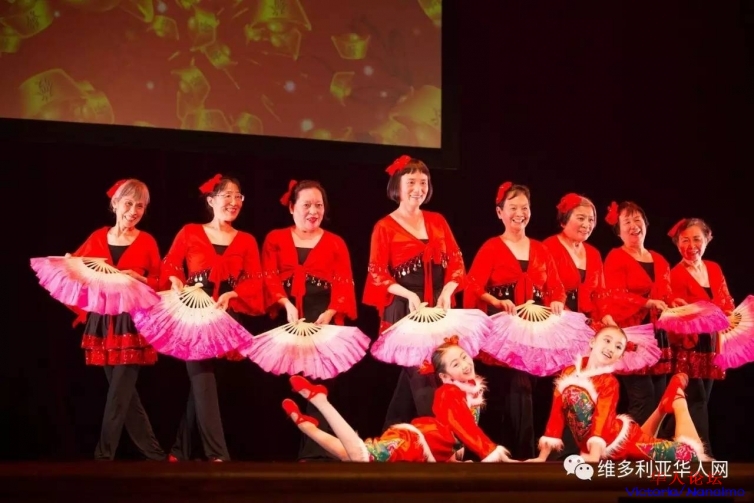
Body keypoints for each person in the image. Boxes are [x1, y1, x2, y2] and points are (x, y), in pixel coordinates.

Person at [162, 174, 264, 462]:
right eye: (226, 196)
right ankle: (218, 455)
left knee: (202, 383)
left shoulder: (246, 240)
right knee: (203, 378)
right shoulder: (190, 231)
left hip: (222, 314)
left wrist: (233, 294)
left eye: (237, 196)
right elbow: (170, 263)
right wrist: (175, 279)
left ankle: (179, 451)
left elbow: (254, 281)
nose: (233, 202)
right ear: (211, 201)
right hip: (193, 312)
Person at [281, 338, 514, 463]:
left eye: (464, 357)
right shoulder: (449, 393)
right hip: (412, 443)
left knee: (348, 454)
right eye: (456, 364)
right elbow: (462, 427)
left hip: (422, 446)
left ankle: (306, 426)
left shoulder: (466, 393)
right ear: (444, 376)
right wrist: (491, 452)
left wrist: (453, 460)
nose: (464, 364)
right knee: (361, 456)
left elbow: (449, 439)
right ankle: (322, 402)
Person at [463, 182, 565, 460]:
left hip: (532, 330)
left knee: (527, 390)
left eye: (524, 208)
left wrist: (556, 300)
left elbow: (556, 287)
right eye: (513, 208)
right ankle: (513, 454)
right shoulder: (492, 247)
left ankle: (521, 454)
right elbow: (473, 285)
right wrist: (496, 302)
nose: (519, 213)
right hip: (502, 330)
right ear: (500, 213)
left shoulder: (541, 249)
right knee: (507, 391)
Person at [363, 155, 465, 429]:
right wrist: (409, 295)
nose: (418, 188)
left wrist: (448, 290)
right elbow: (377, 272)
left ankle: (391, 432)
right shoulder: (384, 226)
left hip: (437, 306)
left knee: (424, 374)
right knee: (422, 371)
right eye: (411, 182)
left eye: (423, 182)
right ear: (397, 185)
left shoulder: (437, 220)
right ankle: (440, 436)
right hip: (406, 307)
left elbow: (456, 261)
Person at [261, 179, 358, 462]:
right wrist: (285, 303)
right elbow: (268, 276)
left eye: (318, 205)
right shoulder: (275, 239)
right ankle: (287, 453)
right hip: (288, 319)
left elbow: (344, 282)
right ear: (292, 207)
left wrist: (330, 313)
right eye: (306, 205)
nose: (313, 211)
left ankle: (316, 455)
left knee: (321, 388)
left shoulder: (335, 242)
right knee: (292, 386)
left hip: (323, 319)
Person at [69, 179, 166, 461]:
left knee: (118, 394)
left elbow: (161, 282)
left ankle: (103, 456)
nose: (133, 211)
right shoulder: (98, 237)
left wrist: (141, 278)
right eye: (128, 203)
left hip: (132, 323)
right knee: (124, 396)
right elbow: (76, 268)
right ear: (115, 204)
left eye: (140, 206)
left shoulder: (147, 241)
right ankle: (155, 455)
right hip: (103, 321)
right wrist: (70, 263)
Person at [528, 326, 711, 463]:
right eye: (607, 341)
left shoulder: (609, 382)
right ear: (592, 342)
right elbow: (556, 416)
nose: (611, 348)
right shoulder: (568, 373)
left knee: (689, 455)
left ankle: (678, 400)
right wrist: (542, 457)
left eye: (618, 347)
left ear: (620, 356)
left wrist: (593, 456)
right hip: (604, 449)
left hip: (623, 442)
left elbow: (601, 418)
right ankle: (662, 407)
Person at [597, 201, 682, 426]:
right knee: (642, 399)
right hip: (632, 334)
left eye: (638, 220)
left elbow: (666, 294)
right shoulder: (616, 256)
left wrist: (674, 302)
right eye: (627, 222)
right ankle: (632, 445)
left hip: (657, 335)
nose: (634, 225)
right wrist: (647, 302)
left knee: (661, 401)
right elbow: (615, 294)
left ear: (645, 224)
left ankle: (652, 445)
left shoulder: (660, 259)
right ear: (619, 231)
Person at [541, 192, 609, 460]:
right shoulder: (549, 246)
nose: (587, 224)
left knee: (587, 387)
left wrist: (606, 318)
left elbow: (600, 293)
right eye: (580, 218)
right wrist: (566, 315)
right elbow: (545, 287)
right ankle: (556, 450)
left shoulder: (594, 252)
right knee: (564, 386)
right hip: (559, 324)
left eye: (591, 220)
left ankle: (580, 446)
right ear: (564, 219)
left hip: (587, 327)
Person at [659, 218, 735, 453]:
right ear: (677, 243)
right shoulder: (675, 274)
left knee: (698, 401)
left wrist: (728, 314)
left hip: (710, 342)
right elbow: (677, 312)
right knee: (697, 400)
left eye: (697, 239)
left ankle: (662, 440)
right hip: (687, 343)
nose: (691, 246)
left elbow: (725, 299)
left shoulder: (713, 268)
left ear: (707, 240)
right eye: (685, 240)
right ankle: (704, 454)